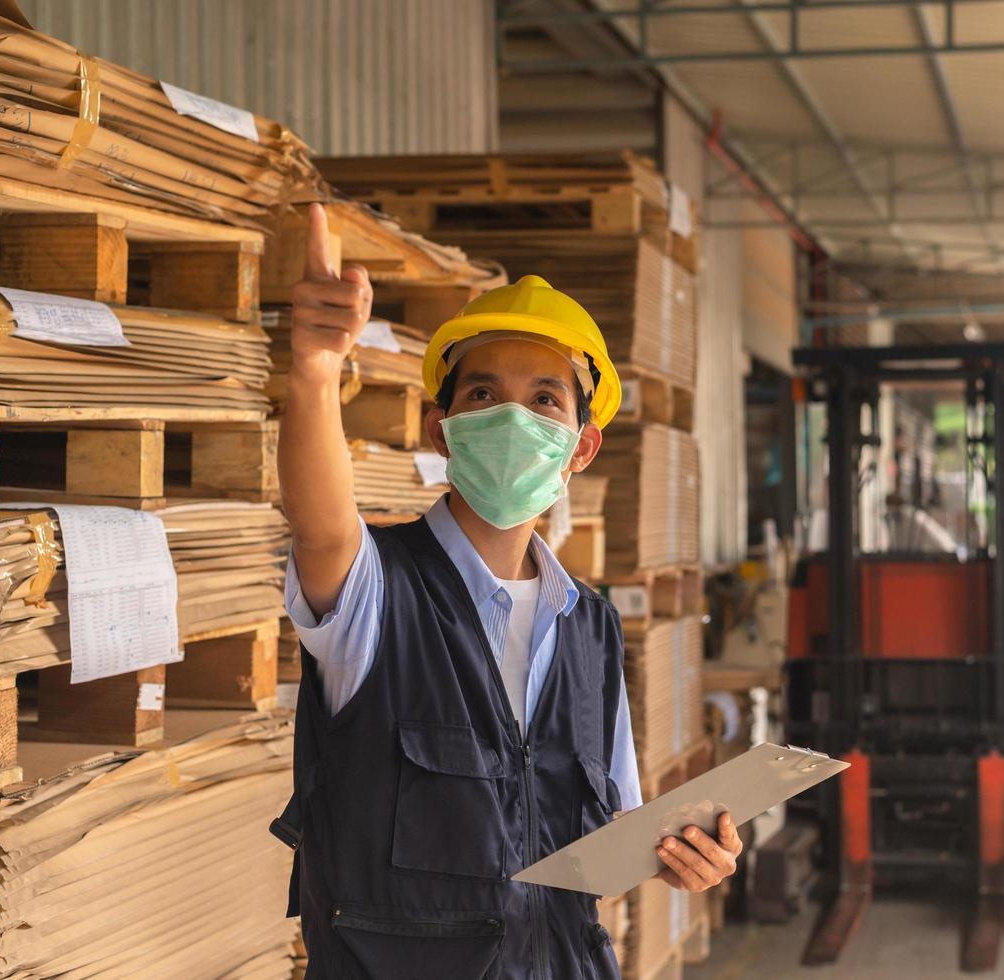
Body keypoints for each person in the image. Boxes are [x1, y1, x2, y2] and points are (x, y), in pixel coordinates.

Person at [271, 203, 741, 979]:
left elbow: (611, 835)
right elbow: (321, 530)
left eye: (545, 400)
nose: (512, 417)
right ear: (441, 428)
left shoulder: (588, 626)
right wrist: (316, 370)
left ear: (579, 447)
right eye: (483, 395)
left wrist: (686, 856)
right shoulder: (375, 590)